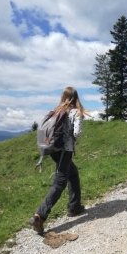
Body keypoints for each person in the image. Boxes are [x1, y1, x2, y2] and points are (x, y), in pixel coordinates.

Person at [29, 86, 87, 235]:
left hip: (53, 150)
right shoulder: (75, 112)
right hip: (64, 151)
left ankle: (74, 206)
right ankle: (40, 215)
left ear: (63, 97)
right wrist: (71, 139)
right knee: (59, 182)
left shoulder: (57, 110)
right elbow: (78, 133)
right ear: (76, 97)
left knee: (73, 174)